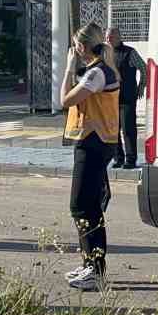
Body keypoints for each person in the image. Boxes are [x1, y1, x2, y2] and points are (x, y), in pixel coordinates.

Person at [59, 22, 122, 292]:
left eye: (75, 46)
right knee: (87, 205)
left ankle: (95, 270)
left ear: (82, 47)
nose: (74, 50)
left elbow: (65, 99)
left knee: (83, 206)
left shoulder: (96, 73)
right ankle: (90, 265)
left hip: (94, 143)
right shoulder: (100, 70)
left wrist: (68, 67)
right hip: (96, 141)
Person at [106, 26, 146, 169]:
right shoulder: (106, 54)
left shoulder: (130, 53)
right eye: (106, 37)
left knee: (128, 129)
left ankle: (131, 159)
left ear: (118, 37)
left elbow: (143, 67)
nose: (108, 40)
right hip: (111, 98)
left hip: (127, 97)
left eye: (110, 37)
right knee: (113, 129)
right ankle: (118, 158)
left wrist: (141, 86)